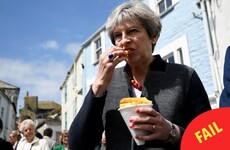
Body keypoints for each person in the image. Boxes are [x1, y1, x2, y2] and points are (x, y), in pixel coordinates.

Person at [68, 1, 212, 150]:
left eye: (133, 31)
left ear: (153, 36)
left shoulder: (184, 76)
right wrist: (97, 88)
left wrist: (171, 132)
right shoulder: (108, 84)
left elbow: (210, 137)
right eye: (118, 35)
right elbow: (78, 145)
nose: (124, 40)